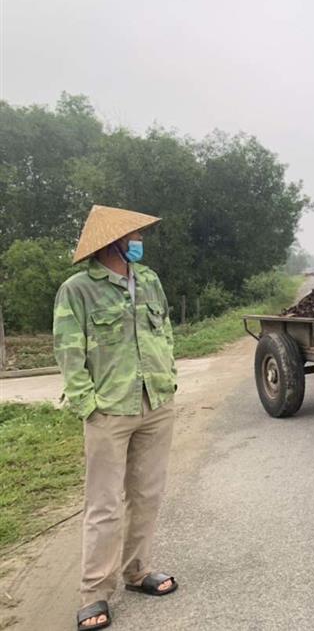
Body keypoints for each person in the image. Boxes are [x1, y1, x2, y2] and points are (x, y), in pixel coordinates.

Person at [53, 205, 179, 631]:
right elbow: (68, 352)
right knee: (104, 504)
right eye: (134, 236)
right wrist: (88, 404)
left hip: (156, 403)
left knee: (147, 495)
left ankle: (138, 572)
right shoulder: (78, 290)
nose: (140, 242)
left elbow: (164, 331)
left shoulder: (148, 280)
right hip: (109, 410)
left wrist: (169, 378)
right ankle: (94, 592)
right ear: (113, 243)